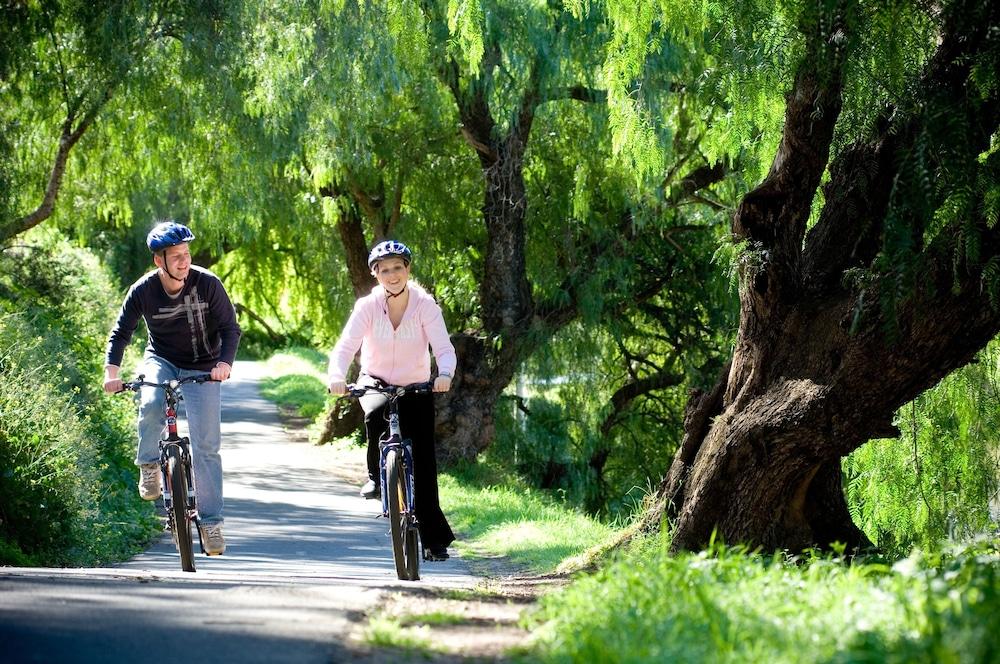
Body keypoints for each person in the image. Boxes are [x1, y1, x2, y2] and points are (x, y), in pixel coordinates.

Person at [102, 220, 241, 556]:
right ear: (158, 261)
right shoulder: (144, 290)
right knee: (149, 400)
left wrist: (224, 365)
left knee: (207, 447)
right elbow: (121, 333)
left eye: (187, 254)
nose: (184, 261)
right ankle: (149, 465)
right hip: (161, 359)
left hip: (204, 364)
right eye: (176, 256)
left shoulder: (207, 283)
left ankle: (210, 524)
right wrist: (111, 372)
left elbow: (230, 329)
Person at [327, 240, 457, 561]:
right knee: (375, 414)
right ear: (376, 275)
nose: (392, 274)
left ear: (408, 269)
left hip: (416, 384)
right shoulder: (367, 307)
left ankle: (432, 539)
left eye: (398, 267)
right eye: (384, 270)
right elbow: (345, 347)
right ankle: (376, 476)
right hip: (376, 380)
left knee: (424, 460)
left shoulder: (425, 306)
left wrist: (445, 375)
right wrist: (336, 377)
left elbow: (443, 349)